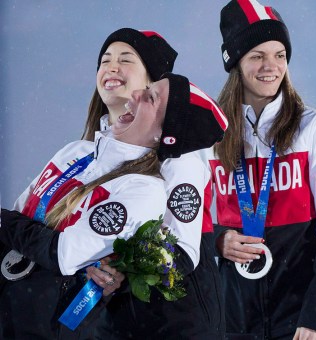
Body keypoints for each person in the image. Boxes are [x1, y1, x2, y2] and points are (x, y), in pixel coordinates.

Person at [0, 72, 226, 339]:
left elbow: (64, 254)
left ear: (165, 135)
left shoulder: (147, 188)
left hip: (42, 318)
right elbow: (19, 215)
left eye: (150, 97)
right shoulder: (76, 152)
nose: (135, 94)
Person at [205, 1, 316, 339]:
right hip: (235, 321)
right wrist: (217, 239)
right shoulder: (210, 136)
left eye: (279, 55)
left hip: (301, 319)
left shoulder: (314, 129)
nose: (270, 66)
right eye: (257, 55)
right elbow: (184, 222)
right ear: (235, 62)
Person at [81, 28, 226, 339]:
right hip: (114, 315)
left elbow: (181, 251)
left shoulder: (181, 151)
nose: (111, 67)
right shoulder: (88, 149)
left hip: (176, 315)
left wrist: (116, 263)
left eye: (126, 59)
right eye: (105, 60)